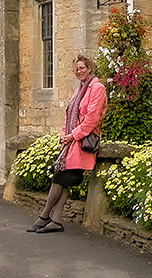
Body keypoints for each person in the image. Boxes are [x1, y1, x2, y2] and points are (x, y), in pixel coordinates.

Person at [27, 54, 108, 233]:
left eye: (82, 68)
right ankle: (55, 221)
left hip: (83, 141)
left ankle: (44, 216)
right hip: (71, 143)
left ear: (90, 68)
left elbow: (92, 119)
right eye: (76, 69)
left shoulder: (97, 88)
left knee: (60, 179)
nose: (79, 72)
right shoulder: (80, 89)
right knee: (62, 180)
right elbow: (69, 114)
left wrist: (73, 135)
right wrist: (64, 135)